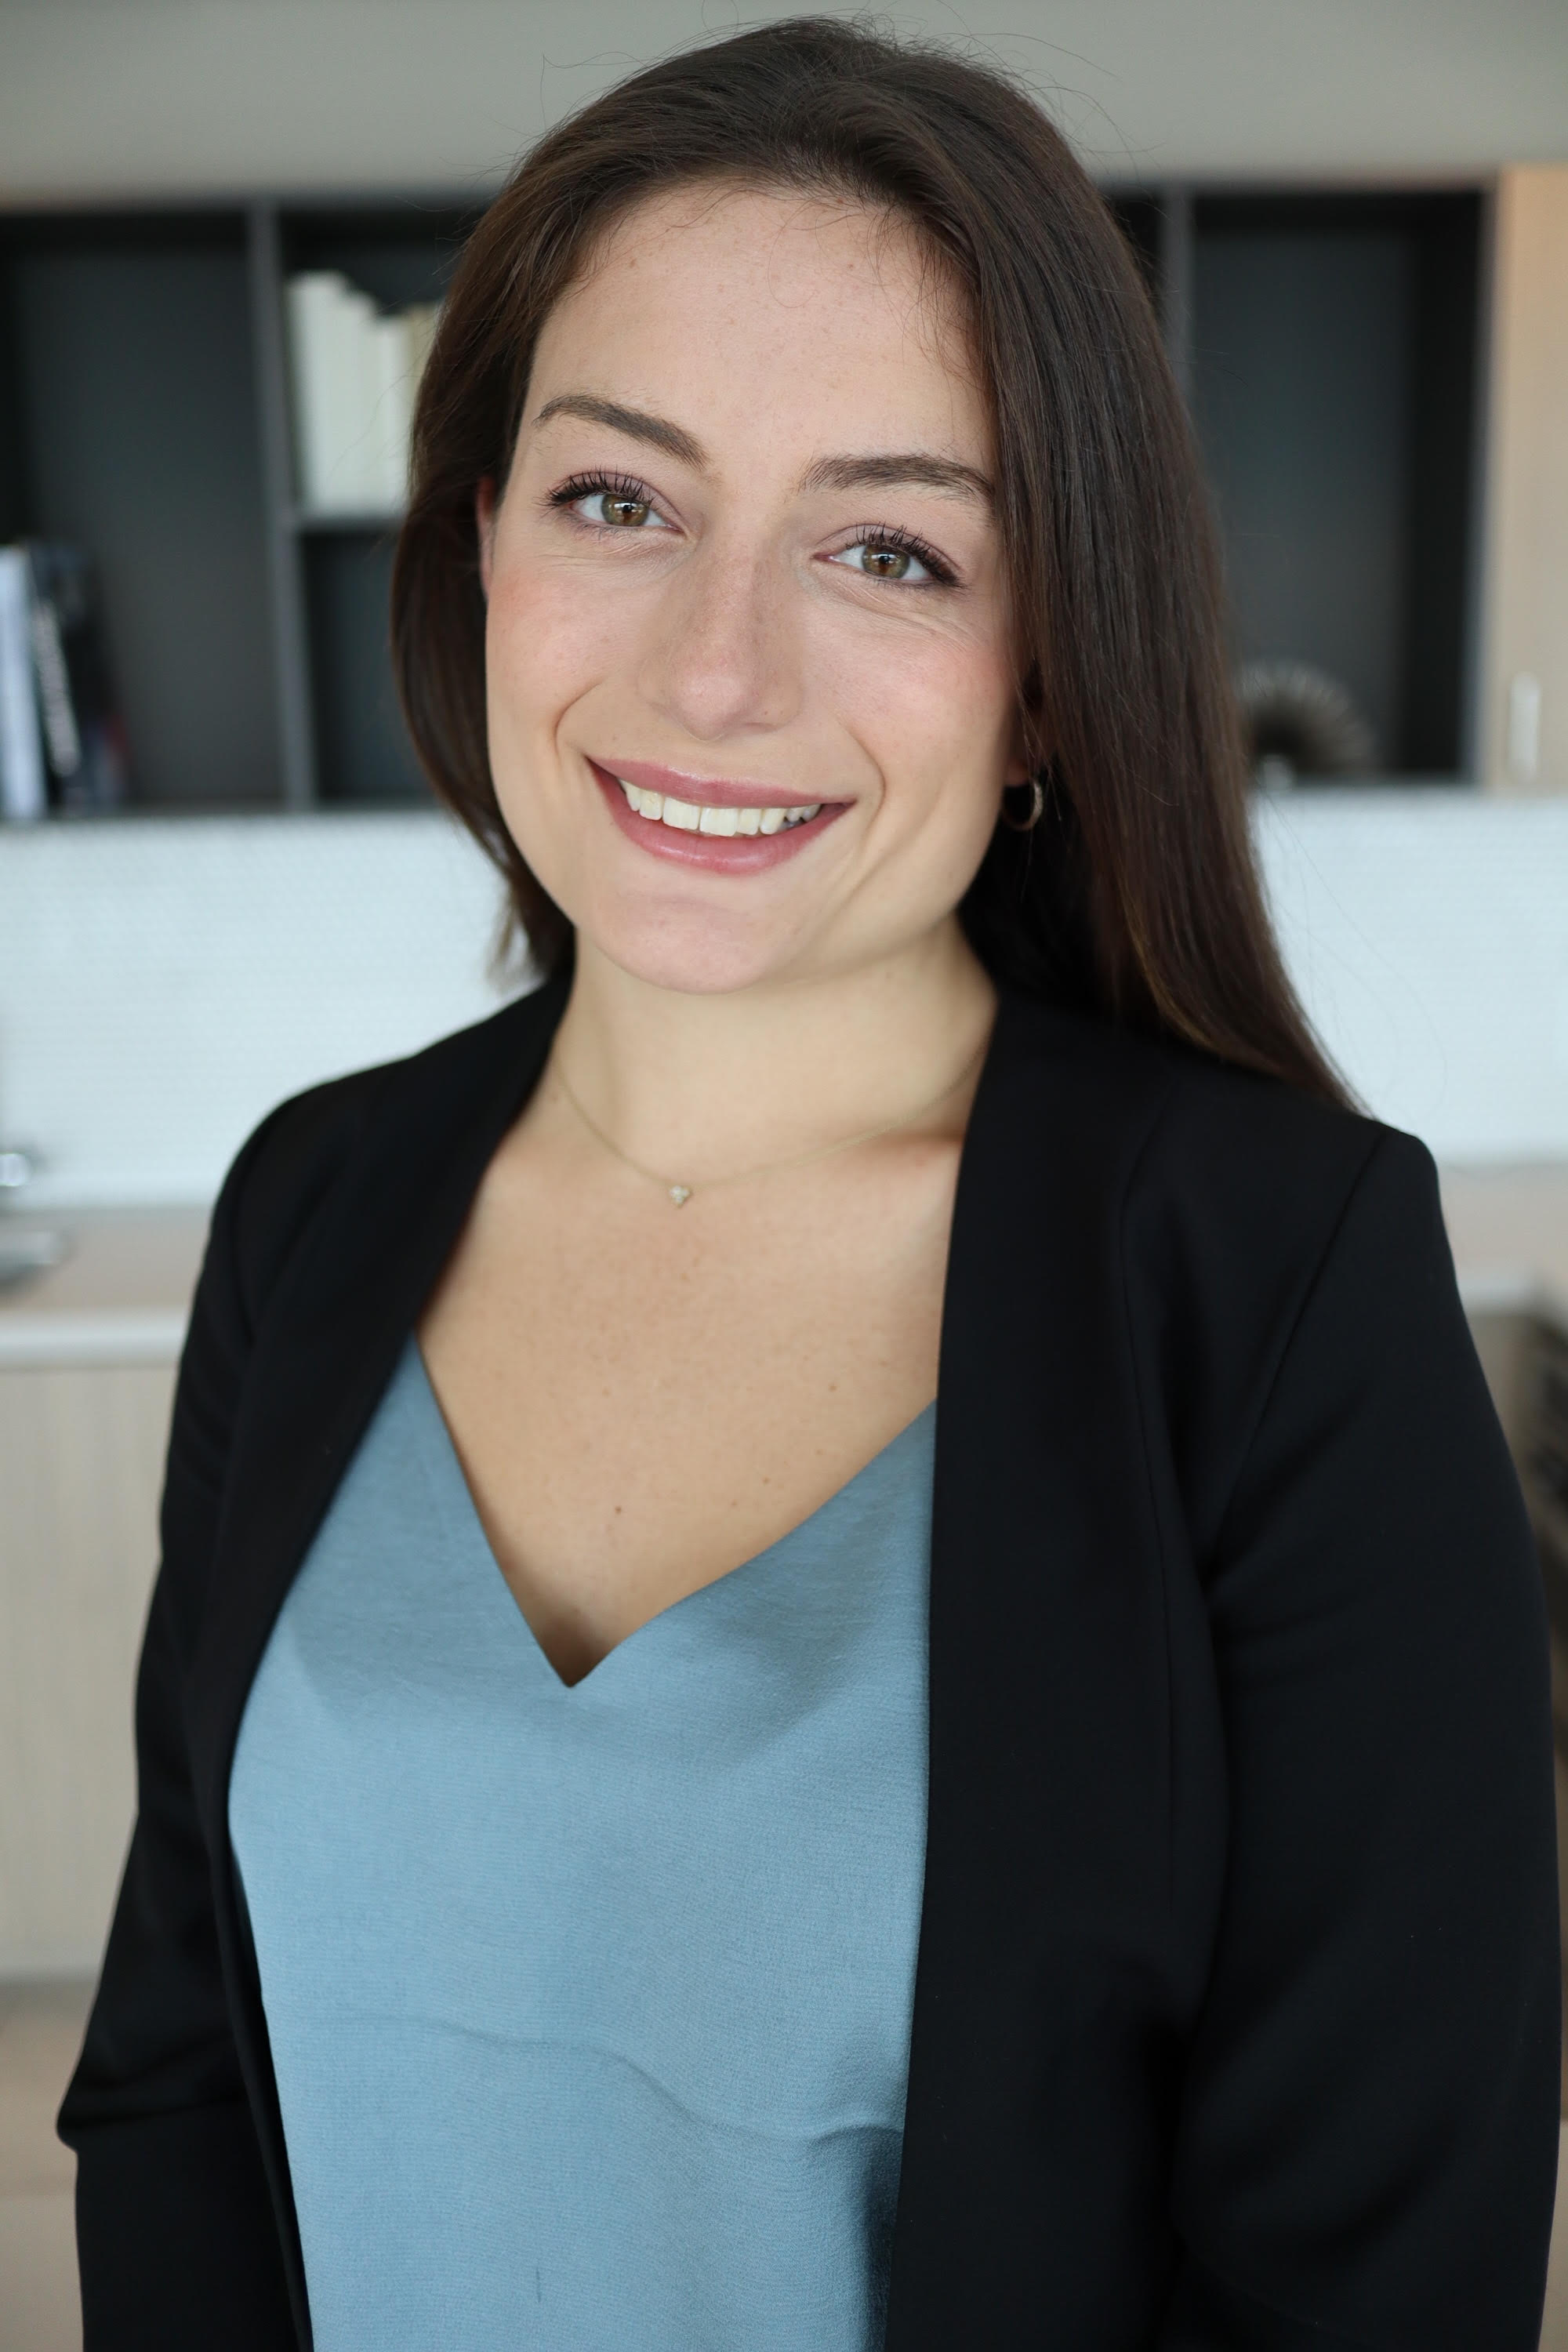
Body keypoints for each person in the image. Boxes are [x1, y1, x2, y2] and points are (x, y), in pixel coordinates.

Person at [61, 19, 1559, 2349]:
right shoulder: (314, 1212)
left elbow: (1370, 2282)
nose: (720, 670)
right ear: (483, 546)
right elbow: (172, 2074)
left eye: (888, 545)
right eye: (620, 501)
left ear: (1045, 673)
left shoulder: (1272, 1297)